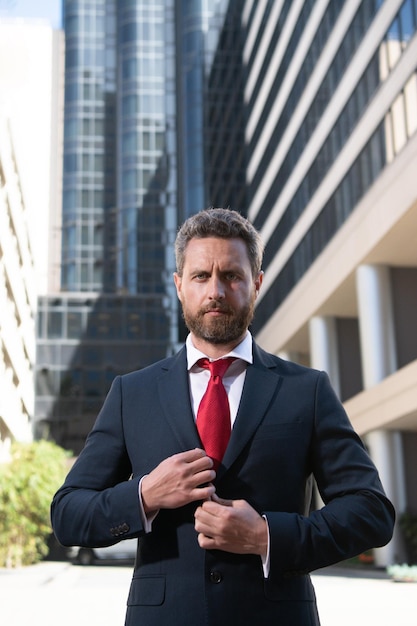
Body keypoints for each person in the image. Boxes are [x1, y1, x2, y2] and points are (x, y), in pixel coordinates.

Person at [51, 207, 395, 626]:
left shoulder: (307, 390)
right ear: (179, 286)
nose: (215, 290)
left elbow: (371, 511)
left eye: (232, 275)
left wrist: (267, 536)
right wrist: (144, 495)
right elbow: (68, 514)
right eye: (200, 276)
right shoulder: (132, 393)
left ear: (257, 284)